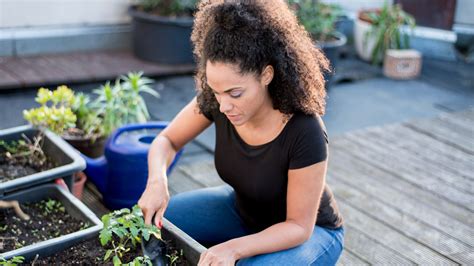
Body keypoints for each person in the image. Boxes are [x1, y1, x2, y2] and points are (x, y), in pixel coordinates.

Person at [138, 0, 344, 264]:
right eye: (215, 91)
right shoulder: (219, 101)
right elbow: (167, 140)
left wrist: (234, 248)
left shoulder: (305, 130)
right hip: (243, 212)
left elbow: (298, 227)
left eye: (235, 93)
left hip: (310, 233)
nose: (223, 105)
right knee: (152, 221)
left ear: (266, 75)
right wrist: (157, 182)